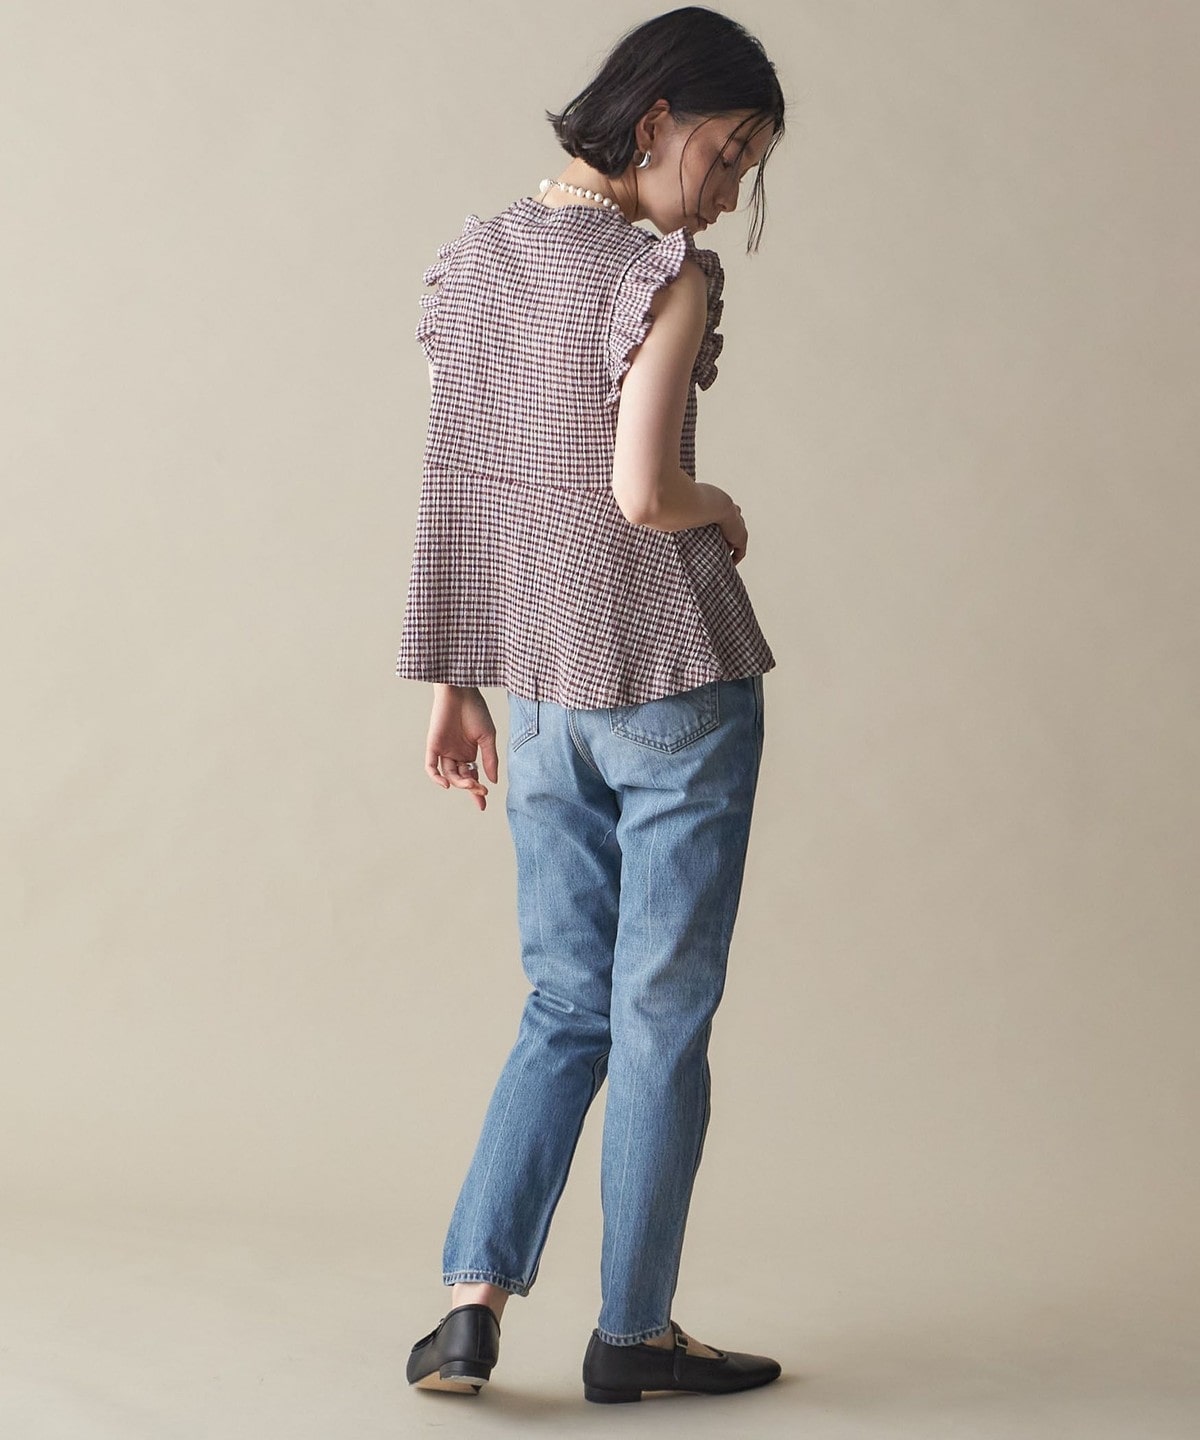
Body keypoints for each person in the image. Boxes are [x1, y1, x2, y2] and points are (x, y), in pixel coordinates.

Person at [395, 5, 787, 1405]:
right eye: (727, 156)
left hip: (547, 694)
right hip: (677, 682)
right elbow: (642, 494)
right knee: (659, 1015)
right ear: (657, 119)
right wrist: (719, 505)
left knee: (565, 1000)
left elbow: (454, 490)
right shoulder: (659, 274)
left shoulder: (472, 263)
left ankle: (469, 1307)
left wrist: (456, 683)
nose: (728, 193)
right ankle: (634, 1333)